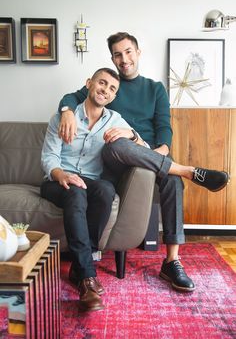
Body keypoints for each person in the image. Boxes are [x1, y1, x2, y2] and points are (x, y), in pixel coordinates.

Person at [57, 33, 229, 292]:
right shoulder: (108, 86)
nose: (123, 59)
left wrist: (157, 150)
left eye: (128, 52)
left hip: (148, 154)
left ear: (138, 52)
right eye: (117, 54)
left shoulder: (155, 89)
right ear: (112, 58)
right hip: (114, 160)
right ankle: (189, 171)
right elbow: (70, 97)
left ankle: (172, 262)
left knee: (172, 181)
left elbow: (164, 129)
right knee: (118, 143)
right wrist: (67, 112)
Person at [41, 67, 138, 312]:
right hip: (56, 180)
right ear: (89, 83)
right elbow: (49, 157)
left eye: (111, 88)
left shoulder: (115, 120)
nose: (105, 90)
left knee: (106, 191)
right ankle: (87, 277)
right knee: (76, 191)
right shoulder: (64, 116)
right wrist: (62, 174)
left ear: (114, 96)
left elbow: (143, 145)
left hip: (90, 182)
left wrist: (131, 133)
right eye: (101, 83)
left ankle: (79, 266)